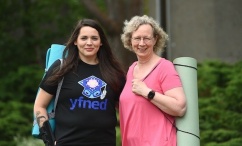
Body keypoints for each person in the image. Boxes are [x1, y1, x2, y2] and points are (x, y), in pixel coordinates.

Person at [34, 18, 126, 146]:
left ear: (101, 42)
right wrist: (49, 140)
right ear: (75, 41)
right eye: (84, 38)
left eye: (94, 38)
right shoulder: (60, 68)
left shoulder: (114, 73)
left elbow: (125, 109)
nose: (89, 43)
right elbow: (40, 105)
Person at [119, 15, 187, 146]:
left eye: (147, 38)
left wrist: (148, 92)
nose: (142, 43)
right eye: (137, 38)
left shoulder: (164, 67)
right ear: (130, 40)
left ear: (155, 39)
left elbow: (180, 107)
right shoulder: (131, 69)